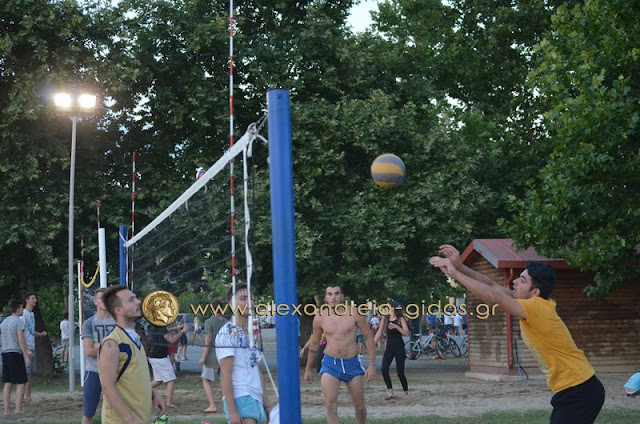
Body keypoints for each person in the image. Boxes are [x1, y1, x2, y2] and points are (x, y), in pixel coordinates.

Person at [430, 244, 605, 424]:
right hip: (574, 390)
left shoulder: (536, 307)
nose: (515, 282)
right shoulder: (537, 304)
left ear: (535, 292)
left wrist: (454, 273)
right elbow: (492, 286)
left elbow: (492, 297)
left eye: (522, 280)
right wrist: (460, 267)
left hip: (580, 390)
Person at [304, 285, 376, 424]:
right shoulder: (320, 317)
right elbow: (314, 343)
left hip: (352, 363)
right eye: (330, 294)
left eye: (336, 294)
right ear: (325, 298)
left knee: (359, 406)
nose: (333, 297)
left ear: (342, 296)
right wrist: (308, 368)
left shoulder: (354, 313)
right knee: (330, 405)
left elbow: (368, 337)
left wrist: (372, 364)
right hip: (330, 363)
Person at [99, 285, 164, 424]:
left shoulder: (135, 338)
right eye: (131, 300)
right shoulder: (112, 343)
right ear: (119, 310)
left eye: (135, 298)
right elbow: (107, 387)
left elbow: (135, 376)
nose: (138, 302)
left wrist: (154, 394)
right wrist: (130, 419)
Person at [216, 284, 272, 424]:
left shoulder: (250, 333)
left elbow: (256, 369)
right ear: (231, 304)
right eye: (243, 298)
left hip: (255, 396)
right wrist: (232, 411)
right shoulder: (227, 332)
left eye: (250, 298)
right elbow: (225, 374)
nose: (249, 302)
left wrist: (267, 406)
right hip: (241, 396)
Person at [81, 288, 116, 424]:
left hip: (114, 372)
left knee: (118, 412)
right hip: (94, 371)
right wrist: (110, 350)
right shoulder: (89, 323)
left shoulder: (117, 322)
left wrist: (98, 346)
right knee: (88, 413)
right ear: (95, 302)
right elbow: (89, 351)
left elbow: (122, 350)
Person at [1, 300, 32, 418]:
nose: (22, 310)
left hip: (5, 353)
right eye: (22, 308)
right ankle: (17, 410)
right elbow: (21, 339)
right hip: (15, 353)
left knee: (7, 382)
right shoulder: (19, 321)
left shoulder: (4, 322)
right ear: (18, 309)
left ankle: (6, 410)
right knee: (21, 382)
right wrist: (26, 354)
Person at [374, 301, 410, 399]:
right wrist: (372, 342)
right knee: (384, 369)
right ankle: (390, 392)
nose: (386, 309)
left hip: (399, 347)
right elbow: (379, 333)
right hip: (389, 347)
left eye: (388, 307)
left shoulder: (400, 319)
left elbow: (406, 333)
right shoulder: (385, 319)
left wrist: (396, 326)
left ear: (393, 308)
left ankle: (406, 392)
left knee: (400, 372)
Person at [149, 322, 188, 409]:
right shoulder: (161, 327)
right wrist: (182, 332)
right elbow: (171, 340)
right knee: (171, 379)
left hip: (154, 356)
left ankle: (140, 390)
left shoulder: (155, 325)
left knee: (158, 380)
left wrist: (176, 328)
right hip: (160, 358)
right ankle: (169, 403)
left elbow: (166, 331)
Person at [199, 299, 228, 414]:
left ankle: (212, 405)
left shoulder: (209, 322)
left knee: (206, 380)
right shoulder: (227, 322)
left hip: (212, 356)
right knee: (224, 380)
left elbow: (208, 340)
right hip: (224, 356)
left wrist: (203, 357)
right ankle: (227, 404)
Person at [21, 293, 47, 404]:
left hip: (31, 347)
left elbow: (30, 331)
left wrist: (40, 334)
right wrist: (26, 349)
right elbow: (21, 333)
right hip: (26, 348)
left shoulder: (31, 314)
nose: (35, 300)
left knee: (30, 374)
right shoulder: (23, 315)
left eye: (35, 298)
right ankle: (23, 397)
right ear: (27, 300)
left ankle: (28, 397)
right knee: (26, 374)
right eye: (33, 298)